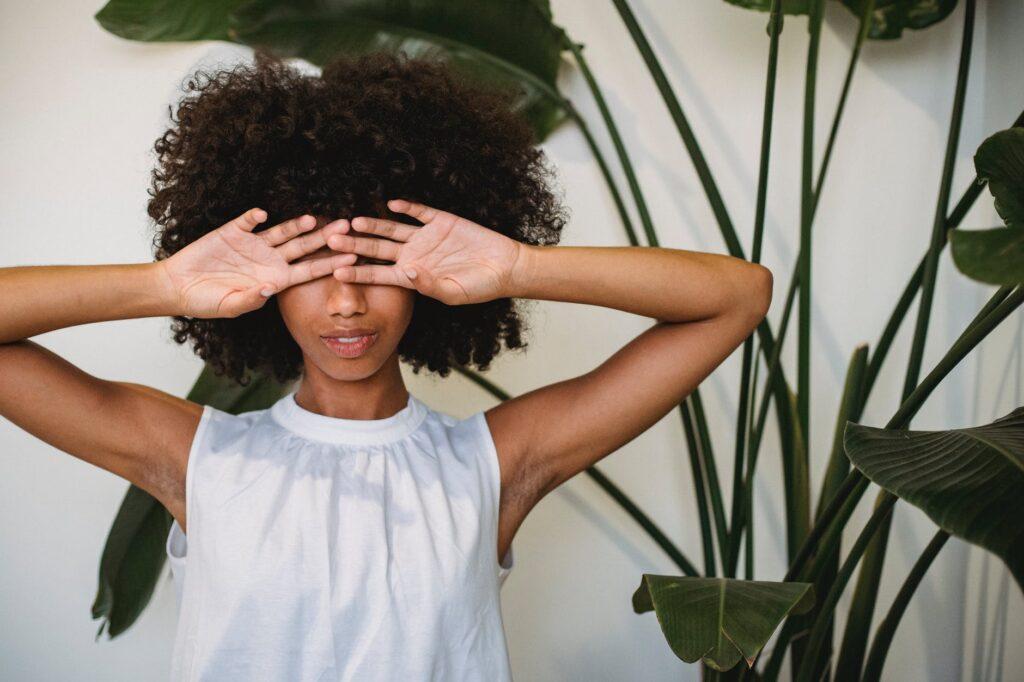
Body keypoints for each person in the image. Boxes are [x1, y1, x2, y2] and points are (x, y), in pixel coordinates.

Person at [0, 49, 772, 681]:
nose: (345, 304)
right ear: (262, 279)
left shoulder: (493, 465)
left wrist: (516, 269)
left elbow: (738, 297)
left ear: (423, 275)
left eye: (375, 262)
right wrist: (164, 286)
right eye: (309, 266)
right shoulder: (195, 460)